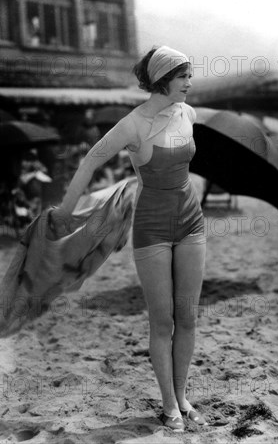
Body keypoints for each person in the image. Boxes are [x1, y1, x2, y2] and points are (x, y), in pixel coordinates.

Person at [49, 46, 208, 432]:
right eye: (183, 75)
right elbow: (91, 159)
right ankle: (169, 406)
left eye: (190, 75)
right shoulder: (133, 123)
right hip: (152, 226)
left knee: (187, 317)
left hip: (192, 223)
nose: (190, 81)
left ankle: (183, 397)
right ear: (163, 78)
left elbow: (186, 167)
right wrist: (67, 209)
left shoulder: (189, 113)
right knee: (162, 321)